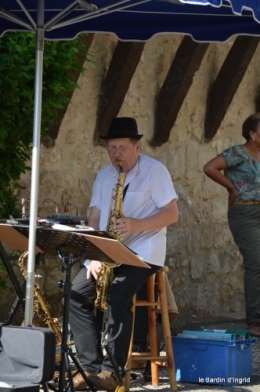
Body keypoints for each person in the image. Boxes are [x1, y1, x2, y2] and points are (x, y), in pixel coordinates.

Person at [69, 117, 179, 390]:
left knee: (117, 294)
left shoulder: (155, 171)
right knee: (76, 294)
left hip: (143, 251)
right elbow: (94, 217)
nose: (116, 154)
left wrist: (136, 225)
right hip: (107, 251)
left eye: (121, 148)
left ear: (137, 147)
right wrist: (93, 254)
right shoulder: (104, 174)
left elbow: (172, 213)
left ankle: (113, 371)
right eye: (111, 148)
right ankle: (90, 369)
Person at [203, 112, 260, 337]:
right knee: (256, 263)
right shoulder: (238, 153)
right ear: (252, 134)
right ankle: (255, 321)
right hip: (244, 213)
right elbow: (209, 167)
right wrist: (231, 187)